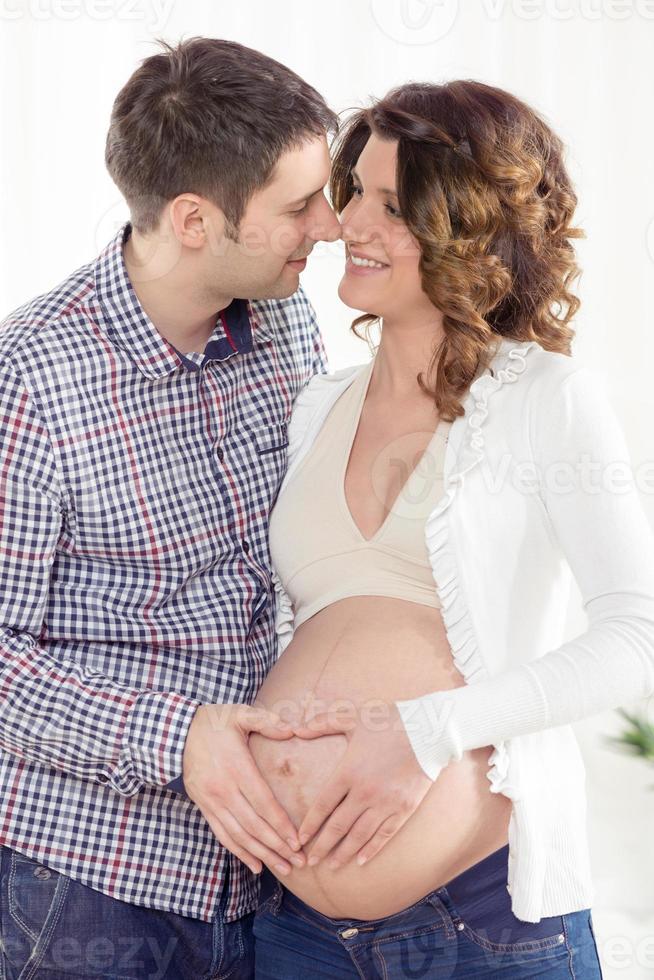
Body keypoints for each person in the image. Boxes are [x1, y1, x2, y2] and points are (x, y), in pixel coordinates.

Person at [248, 79, 654, 977]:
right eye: (355, 189)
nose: (351, 221)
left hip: (483, 919)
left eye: (395, 205)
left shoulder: (543, 397)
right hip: (293, 931)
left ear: (466, 229)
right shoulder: (315, 405)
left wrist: (426, 731)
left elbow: (635, 637)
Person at [0, 36, 341, 979]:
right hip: (83, 886)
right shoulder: (31, 380)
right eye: (299, 205)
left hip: (262, 878)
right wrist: (175, 735)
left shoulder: (284, 318)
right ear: (195, 219)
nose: (333, 223)